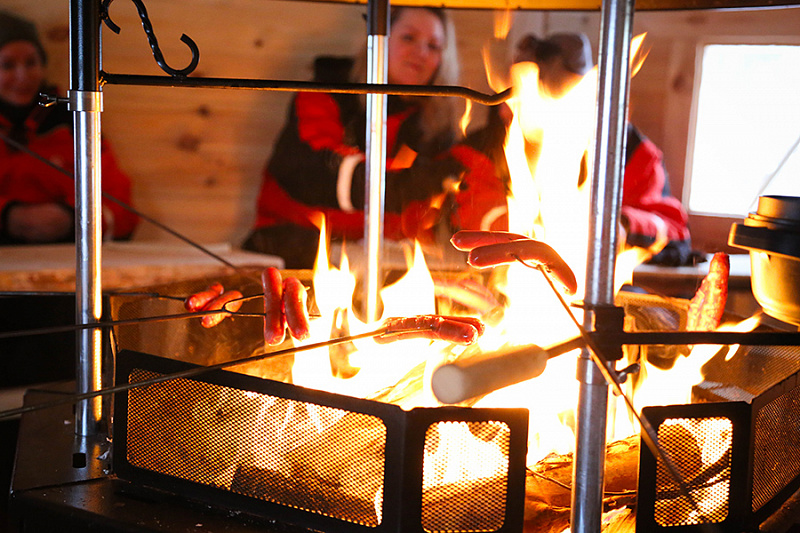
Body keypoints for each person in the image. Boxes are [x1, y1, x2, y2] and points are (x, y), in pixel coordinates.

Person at [242, 6, 509, 268]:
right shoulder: (326, 94)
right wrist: (410, 183)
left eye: (433, 46)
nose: (421, 52)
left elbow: (440, 197)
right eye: (409, 37)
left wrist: (497, 134)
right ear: (380, 41)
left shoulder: (432, 123)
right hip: (292, 245)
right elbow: (312, 172)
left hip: (384, 256)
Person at [514, 32, 693, 266]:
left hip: (603, 278)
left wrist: (622, 226)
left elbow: (675, 233)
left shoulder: (631, 152)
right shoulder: (501, 145)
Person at [0, 10, 137, 244]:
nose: (22, 76)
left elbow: (120, 207)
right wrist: (9, 216)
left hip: (67, 254)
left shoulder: (74, 120)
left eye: (31, 62)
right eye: (7, 65)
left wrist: (74, 220)